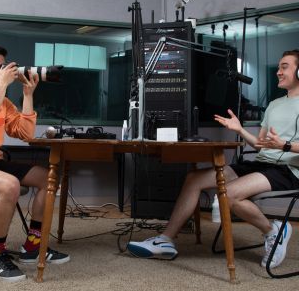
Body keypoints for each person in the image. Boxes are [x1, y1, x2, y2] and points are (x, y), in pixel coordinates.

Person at [128, 49, 299, 269]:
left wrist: (284, 145)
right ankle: (166, 240)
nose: (278, 72)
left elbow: (282, 146)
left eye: (284, 67)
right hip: (261, 164)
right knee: (194, 179)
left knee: (227, 195)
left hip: (288, 169)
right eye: (278, 67)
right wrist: (238, 129)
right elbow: (259, 144)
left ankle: (273, 231)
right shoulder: (275, 105)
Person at [0, 42, 70, 282]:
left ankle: (32, 246)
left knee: (46, 177)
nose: (6, 72)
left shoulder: (2, 102)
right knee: (10, 185)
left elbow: (25, 133)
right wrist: (2, 85)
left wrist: (28, 95)